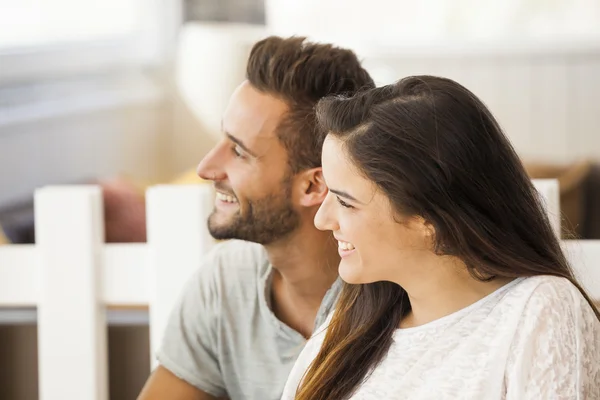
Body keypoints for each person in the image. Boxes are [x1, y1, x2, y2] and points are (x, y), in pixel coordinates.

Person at [282, 76, 600, 400]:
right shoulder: (349, 326)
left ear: (429, 219)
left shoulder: (540, 311)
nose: (322, 220)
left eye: (346, 202)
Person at [137, 36, 374, 400]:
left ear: (314, 186)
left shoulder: (396, 297)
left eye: (238, 151)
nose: (205, 168)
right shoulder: (225, 281)